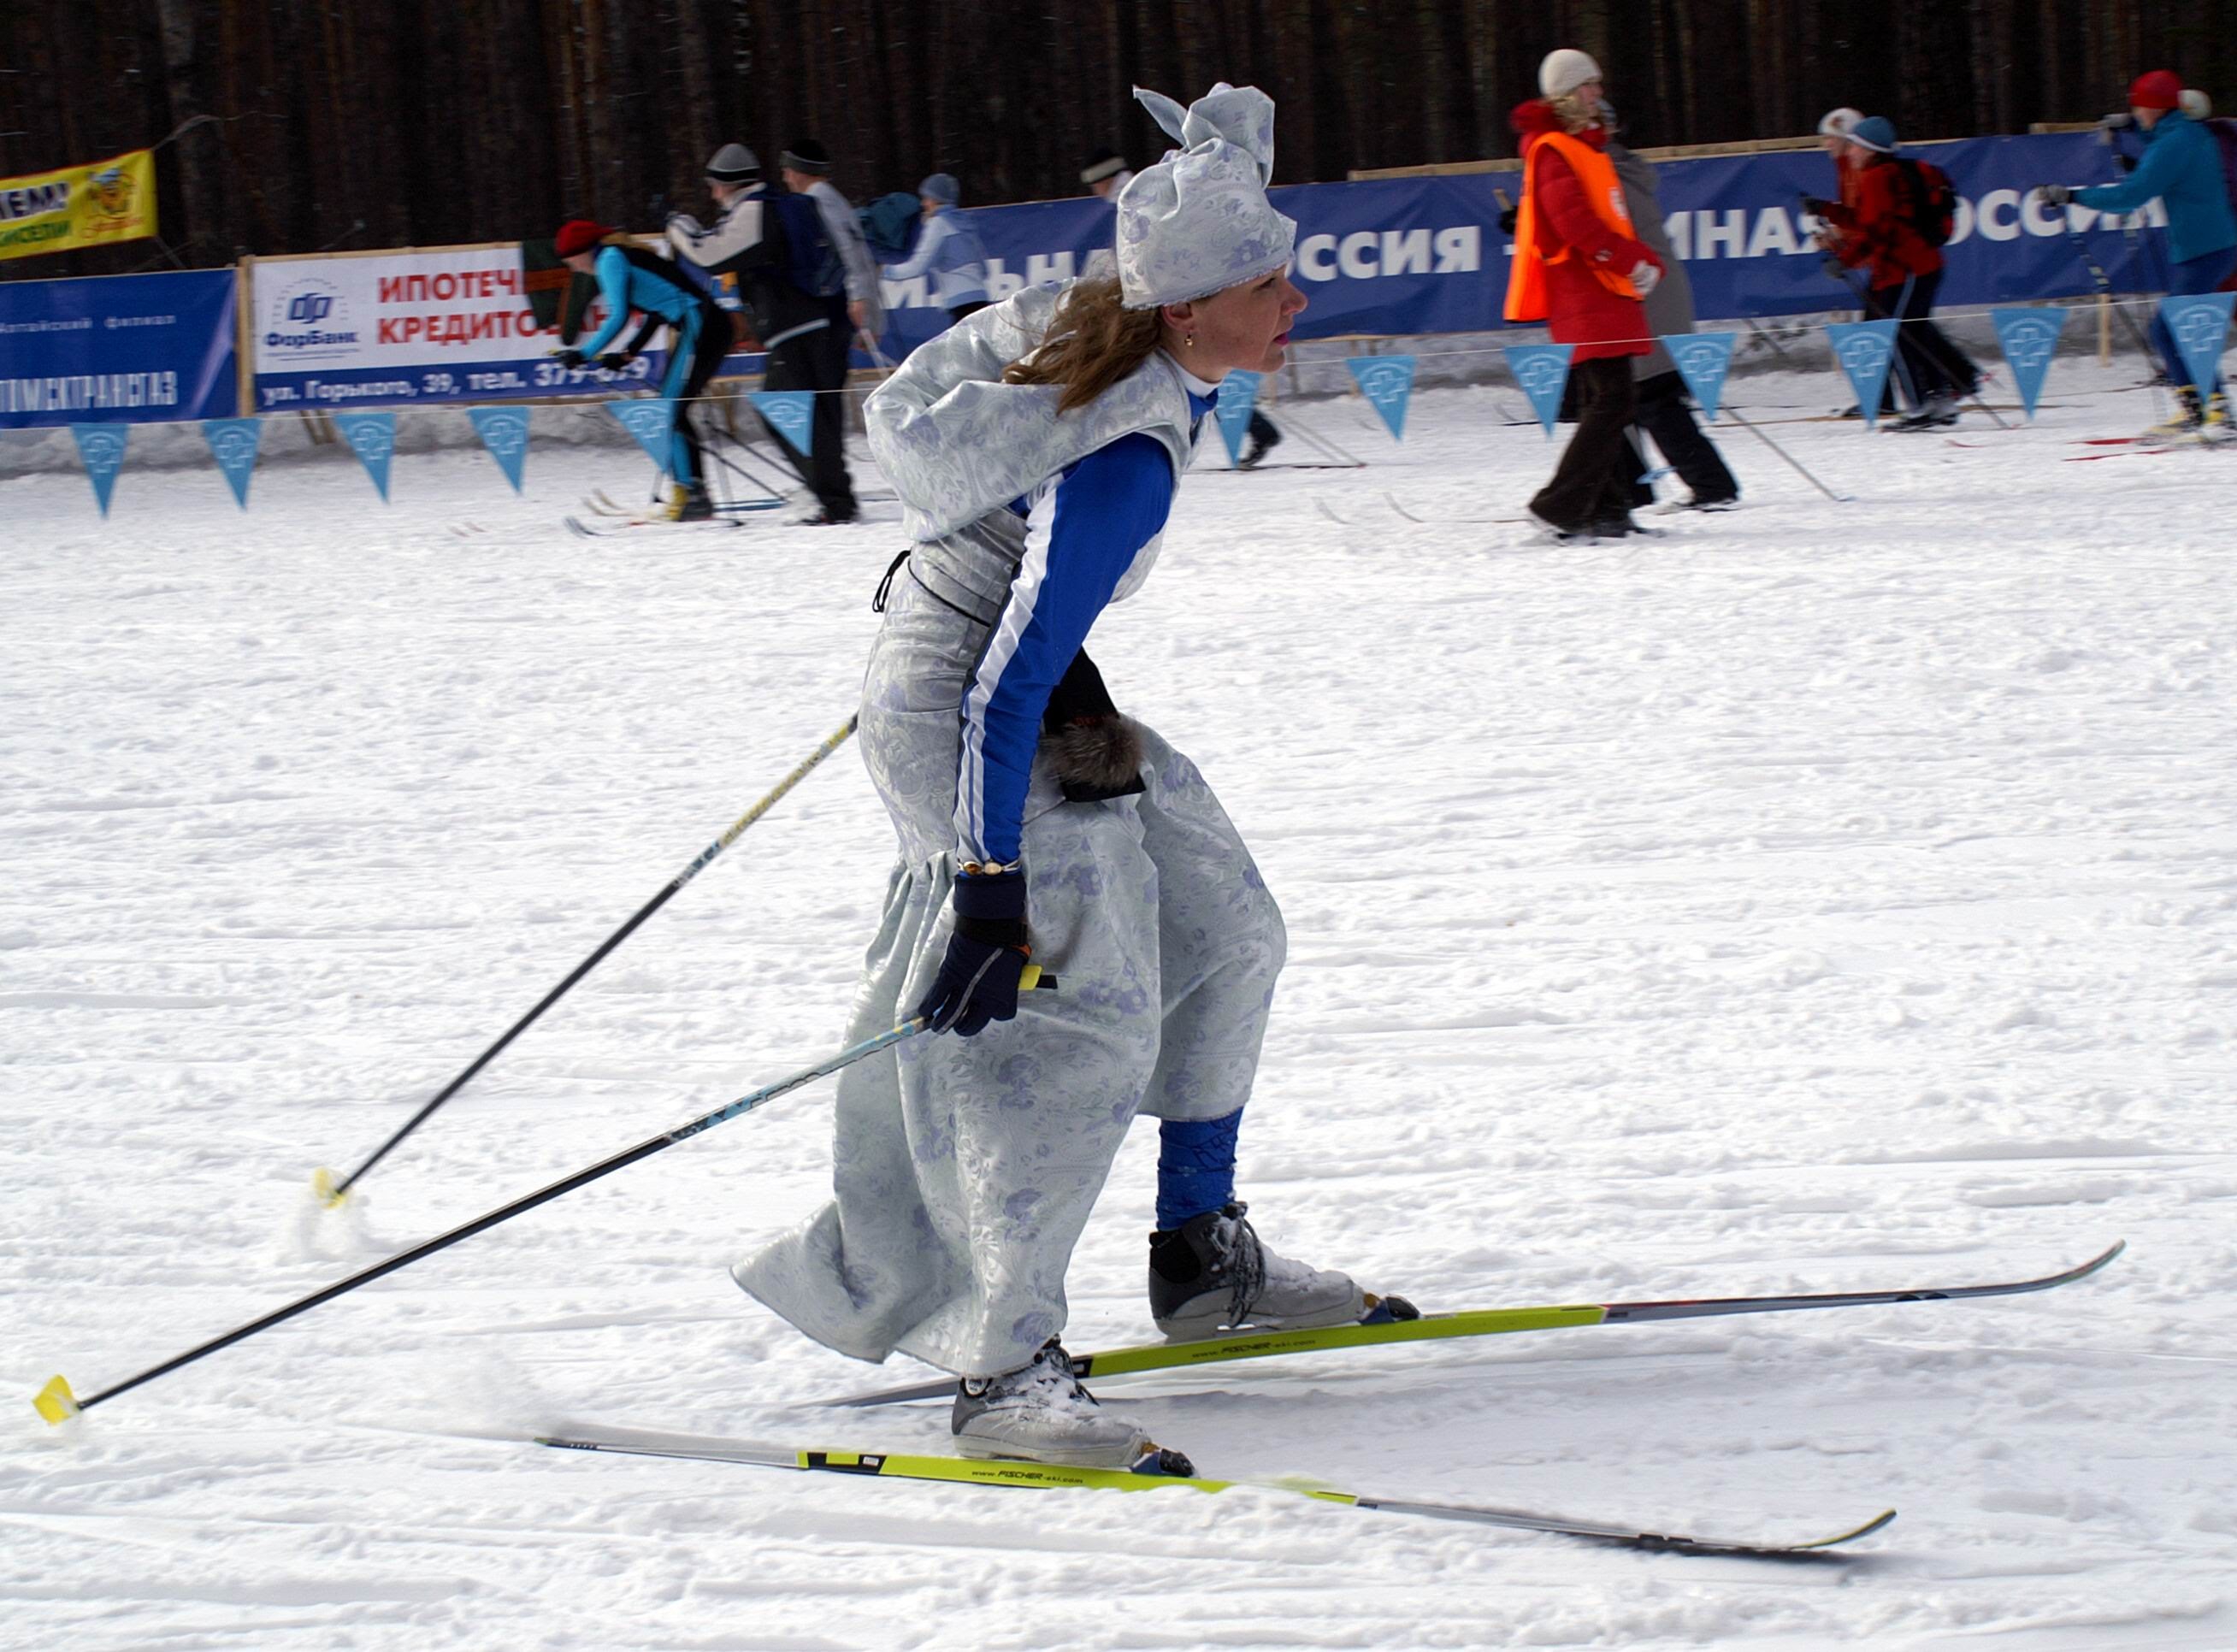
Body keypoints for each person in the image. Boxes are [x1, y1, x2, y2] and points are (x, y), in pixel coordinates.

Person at [732, 83, 1390, 1473]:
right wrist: (988, 886)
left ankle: (1201, 1255)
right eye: (1268, 286)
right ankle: (1004, 1364)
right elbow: (999, 683)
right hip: (967, 713)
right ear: (1191, 308)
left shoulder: (1125, 330)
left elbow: (1010, 563)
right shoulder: (1125, 457)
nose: (1296, 304)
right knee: (1070, 1021)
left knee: (1227, 925)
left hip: (1014, 680)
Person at [1504, 48, 1666, 540]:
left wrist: (1638, 259)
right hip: (1586, 290)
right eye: (1588, 85)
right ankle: (1559, 506)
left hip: (1601, 287)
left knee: (1608, 399)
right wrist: (1628, 260)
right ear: (1568, 94)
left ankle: (1606, 510)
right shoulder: (1556, 148)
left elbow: (1600, 219)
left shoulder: (1581, 147)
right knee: (1613, 400)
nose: (1598, 93)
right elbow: (1574, 222)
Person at [668, 143, 855, 524]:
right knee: (815, 414)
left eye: (714, 186)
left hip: (795, 327)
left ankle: (830, 501)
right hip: (821, 321)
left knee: (785, 410)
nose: (713, 195)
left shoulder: (756, 209)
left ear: (729, 184)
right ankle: (834, 497)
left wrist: (679, 229)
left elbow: (711, 255)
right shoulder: (779, 207)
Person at [2047, 72, 2237, 438]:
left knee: (2175, 328)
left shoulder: (2174, 144)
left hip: (2207, 249)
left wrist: (2072, 196)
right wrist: (2131, 127)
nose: (2135, 111)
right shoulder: (2186, 132)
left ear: (2154, 107)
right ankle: (2201, 407)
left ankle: (2217, 412)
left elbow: (2129, 197)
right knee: (2172, 329)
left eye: (2138, 106)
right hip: (2207, 247)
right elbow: (2160, 143)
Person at [1087, 144, 1280, 465]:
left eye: (1094, 183)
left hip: (1161, 303)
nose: (1094, 191)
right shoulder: (1135, 193)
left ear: (1103, 180)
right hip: (1164, 301)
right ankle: (1253, 430)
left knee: (1189, 373)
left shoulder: (1129, 199)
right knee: (1194, 374)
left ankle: (1162, 446)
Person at [553, 217, 732, 522]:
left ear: (583, 250)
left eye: (571, 260)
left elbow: (618, 316)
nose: (573, 268)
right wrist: (627, 354)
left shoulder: (609, 260)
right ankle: (691, 491)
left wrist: (583, 353)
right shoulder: (618, 256)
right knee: (671, 409)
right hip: (706, 325)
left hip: (701, 326)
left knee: (669, 409)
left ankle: (693, 495)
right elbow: (656, 313)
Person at [1809, 115, 1980, 430]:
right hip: (1917, 266)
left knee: (1898, 335)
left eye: (1856, 146)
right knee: (1915, 334)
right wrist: (1826, 209)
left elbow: (1877, 231)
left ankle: (1918, 406)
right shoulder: (1887, 173)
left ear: (1870, 149)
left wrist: (1845, 261)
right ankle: (1940, 401)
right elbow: (1865, 219)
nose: (1851, 152)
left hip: (1906, 269)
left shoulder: (1877, 177)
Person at [1604, 110, 1738, 511]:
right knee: (1615, 395)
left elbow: (1594, 229)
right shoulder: (1621, 166)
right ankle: (1632, 489)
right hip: (1645, 287)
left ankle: (1711, 485)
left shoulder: (1606, 172)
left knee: (1651, 395)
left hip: (1646, 291)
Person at [776, 138, 881, 522]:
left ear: (800, 171)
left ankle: (831, 493)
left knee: (821, 406)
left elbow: (850, 253)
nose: (785, 177)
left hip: (833, 312)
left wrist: (859, 299)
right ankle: (830, 488)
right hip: (836, 311)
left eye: (789, 170)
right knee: (825, 405)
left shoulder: (819, 200)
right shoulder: (829, 197)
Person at [881, 174, 990, 327]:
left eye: (926, 198)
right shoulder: (964, 222)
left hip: (961, 306)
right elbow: (984, 269)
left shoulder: (938, 224)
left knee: (960, 343)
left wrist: (885, 271)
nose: (923, 203)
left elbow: (918, 266)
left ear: (937, 200)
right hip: (981, 300)